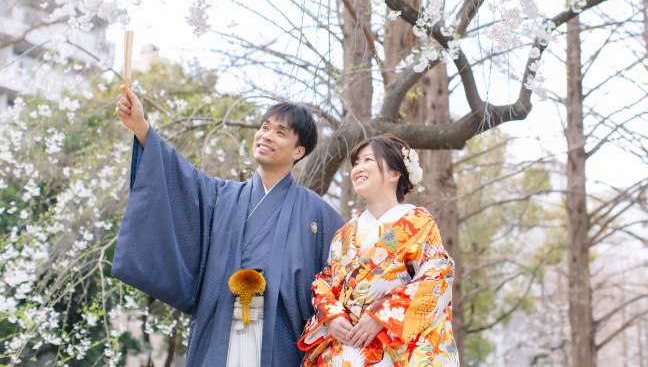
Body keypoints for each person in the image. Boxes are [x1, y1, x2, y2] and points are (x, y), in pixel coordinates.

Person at [112, 87, 344, 367]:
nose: (266, 136)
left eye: (280, 132)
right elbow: (178, 177)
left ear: (299, 151)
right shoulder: (219, 195)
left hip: (279, 339)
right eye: (264, 127)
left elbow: (342, 280)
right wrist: (140, 127)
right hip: (220, 327)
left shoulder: (318, 213)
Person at [299, 134, 459, 367]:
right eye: (355, 163)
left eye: (367, 160)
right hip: (343, 347)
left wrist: (381, 315)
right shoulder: (344, 233)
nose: (358, 168)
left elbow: (437, 276)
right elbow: (325, 281)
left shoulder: (418, 223)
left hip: (391, 345)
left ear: (395, 173)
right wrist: (332, 316)